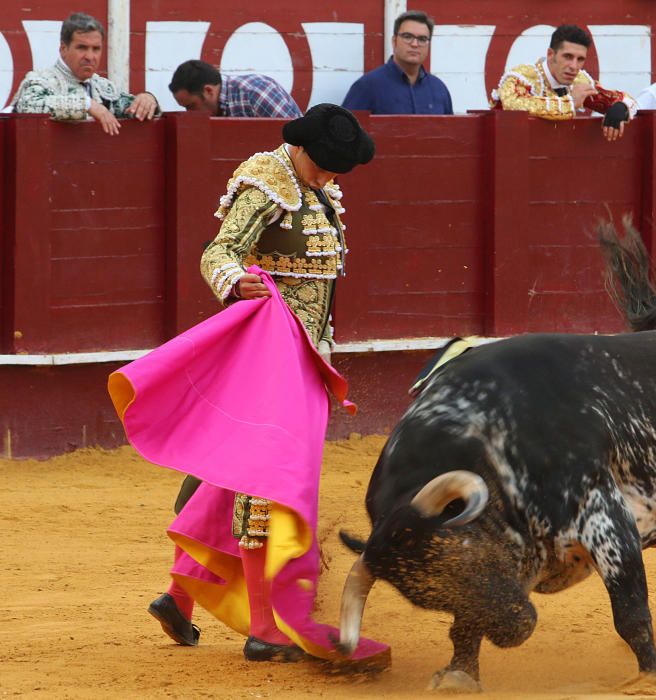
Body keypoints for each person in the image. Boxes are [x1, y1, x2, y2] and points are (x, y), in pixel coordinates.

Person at [130, 104, 389, 667]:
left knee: (232, 478)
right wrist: (234, 279)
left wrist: (320, 347)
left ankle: (179, 599)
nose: (330, 177)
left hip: (300, 355)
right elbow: (218, 250)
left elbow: (320, 281)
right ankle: (263, 630)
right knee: (262, 483)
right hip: (267, 355)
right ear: (302, 152)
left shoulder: (317, 188)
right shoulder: (268, 180)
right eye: (325, 167)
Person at [11, 12, 160, 135]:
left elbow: (131, 109)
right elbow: (29, 106)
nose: (90, 57)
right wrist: (87, 105)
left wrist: (147, 99)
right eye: (82, 48)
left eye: (96, 49)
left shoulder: (102, 87)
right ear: (63, 49)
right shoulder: (41, 81)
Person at [490, 24, 636, 142]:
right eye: (568, 56)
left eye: (580, 59)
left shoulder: (579, 81)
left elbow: (626, 100)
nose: (574, 66)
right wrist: (570, 103)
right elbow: (513, 104)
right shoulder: (522, 77)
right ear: (550, 54)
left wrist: (620, 107)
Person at [342, 10, 453, 114]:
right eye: (407, 36)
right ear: (394, 41)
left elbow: (451, 132)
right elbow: (343, 132)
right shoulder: (367, 86)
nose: (414, 44)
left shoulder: (439, 89)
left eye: (422, 39)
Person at [168, 59, 302, 117]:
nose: (190, 113)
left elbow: (296, 142)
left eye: (192, 106)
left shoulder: (255, 92)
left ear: (209, 91)